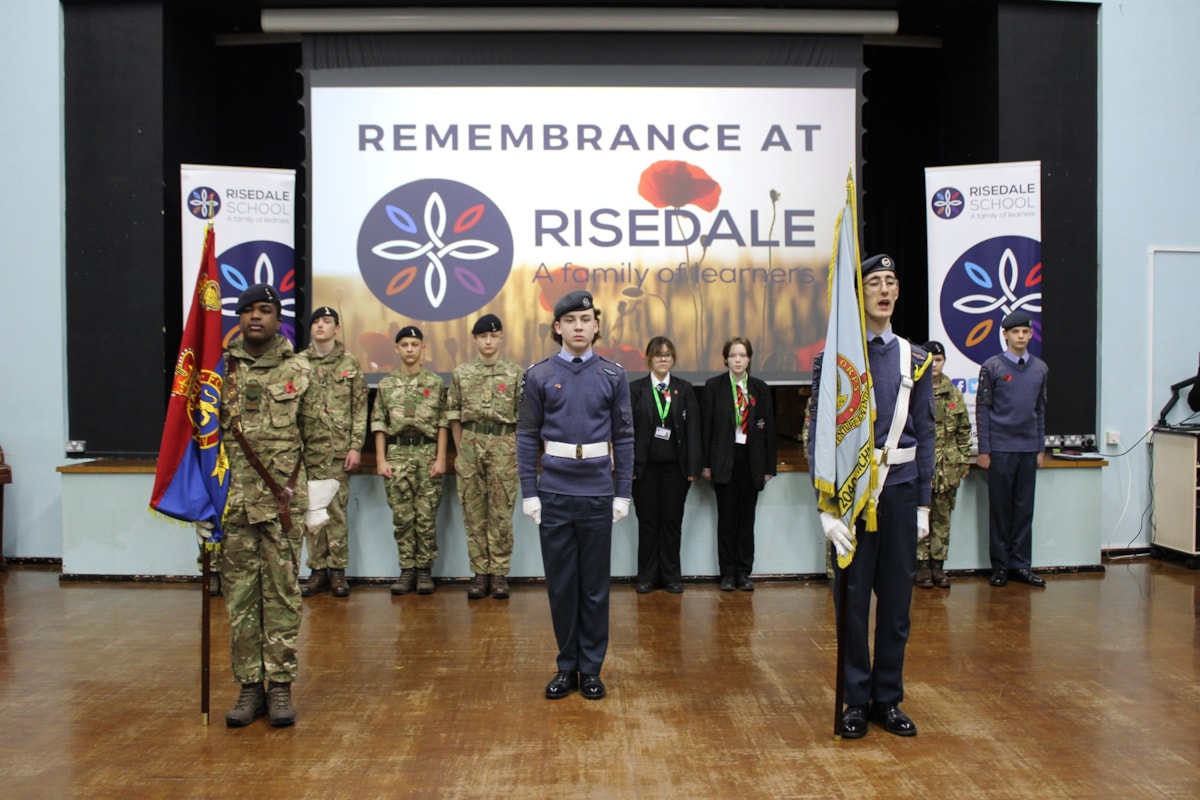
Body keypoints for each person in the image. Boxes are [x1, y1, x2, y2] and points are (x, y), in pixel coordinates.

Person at [809, 254, 934, 739]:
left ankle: (887, 698)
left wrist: (923, 504)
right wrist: (826, 508)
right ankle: (855, 700)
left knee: (897, 606)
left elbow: (926, 432)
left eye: (891, 281)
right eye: (874, 282)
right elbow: (819, 437)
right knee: (852, 603)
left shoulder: (915, 359)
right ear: (860, 294)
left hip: (899, 494)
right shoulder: (838, 359)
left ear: (898, 292)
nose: (883, 290)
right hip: (853, 499)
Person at [517, 290, 633, 701]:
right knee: (562, 585)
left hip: (597, 493)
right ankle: (567, 666)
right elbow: (527, 435)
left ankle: (591, 669)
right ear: (558, 327)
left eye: (585, 320)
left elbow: (625, 437)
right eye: (570, 320)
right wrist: (529, 492)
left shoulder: (613, 376)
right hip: (554, 492)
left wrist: (623, 494)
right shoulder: (539, 375)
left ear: (596, 326)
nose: (578, 327)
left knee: (595, 587)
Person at [219, 283, 319, 728]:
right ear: (238, 318)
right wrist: (202, 504)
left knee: (282, 595)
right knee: (240, 598)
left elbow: (318, 439)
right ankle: (248, 687)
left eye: (264, 309)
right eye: (247, 310)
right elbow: (201, 440)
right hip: (234, 505)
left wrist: (319, 502)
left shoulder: (300, 370)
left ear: (278, 319)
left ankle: (279, 686)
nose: (255, 316)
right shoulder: (219, 372)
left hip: (283, 505)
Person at [447, 313, 523, 600]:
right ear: (475, 339)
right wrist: (461, 450)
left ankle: (499, 573)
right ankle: (480, 573)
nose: (488, 341)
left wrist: (515, 449)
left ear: (501, 337)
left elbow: (524, 417)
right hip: (471, 442)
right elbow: (454, 415)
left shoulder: (515, 373)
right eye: (483, 336)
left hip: (504, 442)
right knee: (473, 512)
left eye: (493, 336)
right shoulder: (462, 373)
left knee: (502, 512)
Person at [372, 325, 449, 596]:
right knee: (402, 517)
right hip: (397, 453)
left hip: (427, 453)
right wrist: (380, 460)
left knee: (426, 517)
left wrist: (441, 458)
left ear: (423, 348)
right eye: (404, 345)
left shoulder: (435, 383)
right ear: (396, 349)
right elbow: (379, 423)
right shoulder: (386, 384)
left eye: (414, 344)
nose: (409, 349)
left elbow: (442, 423)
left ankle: (424, 570)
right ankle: (407, 570)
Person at [976, 310, 1049, 588]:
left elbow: (1039, 410)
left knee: (1024, 510)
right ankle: (1000, 567)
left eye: (1025, 332)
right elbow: (983, 410)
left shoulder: (1040, 369)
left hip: (1028, 449)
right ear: (1005, 334)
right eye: (1015, 332)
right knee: (1000, 510)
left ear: (1031, 334)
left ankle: (1021, 565)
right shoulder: (992, 367)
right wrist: (985, 450)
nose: (1021, 336)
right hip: (1001, 449)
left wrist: (1040, 447)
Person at [299, 306, 368, 598]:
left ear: (337, 328)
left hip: (339, 451)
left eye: (326, 321)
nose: (320, 326)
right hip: (308, 451)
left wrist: (355, 446)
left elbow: (359, 408)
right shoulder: (299, 363)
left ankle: (338, 571)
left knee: (337, 511)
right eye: (315, 321)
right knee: (312, 510)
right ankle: (317, 571)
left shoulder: (349, 362)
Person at [701, 336, 776, 592]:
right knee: (726, 519)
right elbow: (706, 429)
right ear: (725, 359)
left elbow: (769, 430)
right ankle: (727, 573)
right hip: (724, 461)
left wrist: (769, 467)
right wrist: (706, 464)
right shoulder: (714, 387)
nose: (737, 360)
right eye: (733, 355)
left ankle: (743, 572)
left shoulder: (760, 388)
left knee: (746, 520)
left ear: (749, 358)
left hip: (751, 462)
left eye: (742, 355)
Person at [629, 336, 702, 594]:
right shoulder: (635, 389)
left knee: (672, 522)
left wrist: (693, 467)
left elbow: (694, 430)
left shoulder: (684, 389)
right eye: (658, 355)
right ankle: (647, 576)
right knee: (648, 523)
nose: (663, 359)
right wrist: (629, 467)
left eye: (668, 355)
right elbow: (627, 431)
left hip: (676, 470)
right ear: (649, 358)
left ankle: (671, 576)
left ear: (673, 359)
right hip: (644, 470)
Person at [915, 340, 972, 589]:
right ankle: (921, 566)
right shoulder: (914, 392)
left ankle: (938, 566)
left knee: (942, 519)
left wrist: (963, 461)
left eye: (938, 360)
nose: (935, 365)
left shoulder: (954, 394)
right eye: (930, 360)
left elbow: (963, 431)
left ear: (944, 361)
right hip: (920, 467)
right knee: (919, 517)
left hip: (947, 468)